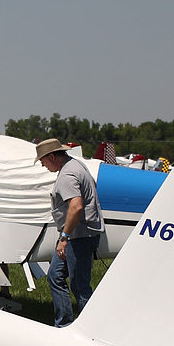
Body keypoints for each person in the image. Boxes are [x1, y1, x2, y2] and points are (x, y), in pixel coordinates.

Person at [35, 139, 104, 327]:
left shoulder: (67, 175)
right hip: (79, 234)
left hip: (78, 236)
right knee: (55, 276)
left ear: (52, 156)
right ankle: (64, 324)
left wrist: (64, 237)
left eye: (43, 160)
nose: (42, 164)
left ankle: (93, 328)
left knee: (80, 286)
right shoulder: (77, 164)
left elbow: (76, 206)